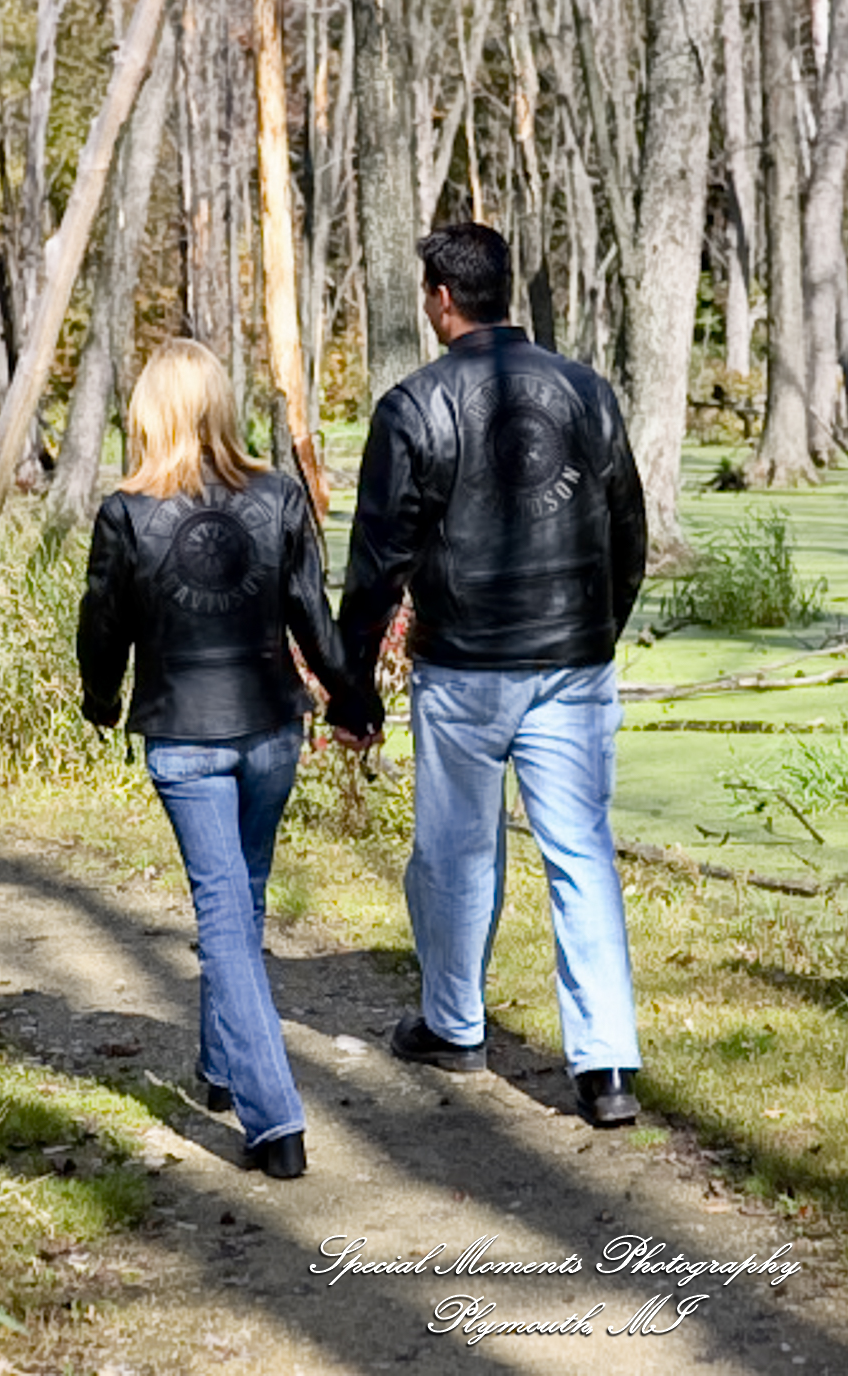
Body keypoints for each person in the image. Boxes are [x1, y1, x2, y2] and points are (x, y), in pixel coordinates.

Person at [330, 223, 647, 1126]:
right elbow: (628, 535)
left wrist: (352, 687)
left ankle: (454, 1024)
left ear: (440, 298)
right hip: (572, 665)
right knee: (581, 855)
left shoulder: (415, 405)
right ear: (499, 291)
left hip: (467, 668)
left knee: (459, 850)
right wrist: (596, 632)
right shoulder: (587, 392)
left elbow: (377, 563)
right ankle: (606, 1067)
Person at [77, 340, 381, 1177]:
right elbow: (310, 618)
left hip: (185, 739)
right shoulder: (276, 496)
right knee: (237, 907)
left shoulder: (127, 514)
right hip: (270, 732)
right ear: (218, 406)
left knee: (224, 922)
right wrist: (349, 698)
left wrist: (100, 702)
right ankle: (221, 1066)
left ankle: (274, 1119)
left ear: (149, 412)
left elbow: (103, 625)